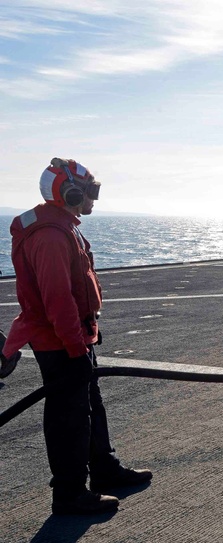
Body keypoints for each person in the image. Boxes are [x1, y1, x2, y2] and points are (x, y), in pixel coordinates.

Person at [2, 158, 152, 515]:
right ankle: (68, 494)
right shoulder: (51, 235)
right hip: (59, 341)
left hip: (75, 337)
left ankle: (104, 469)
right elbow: (57, 298)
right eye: (91, 191)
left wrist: (84, 336)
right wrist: (73, 346)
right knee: (68, 417)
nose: (94, 199)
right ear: (70, 192)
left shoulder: (63, 226)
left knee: (88, 406)